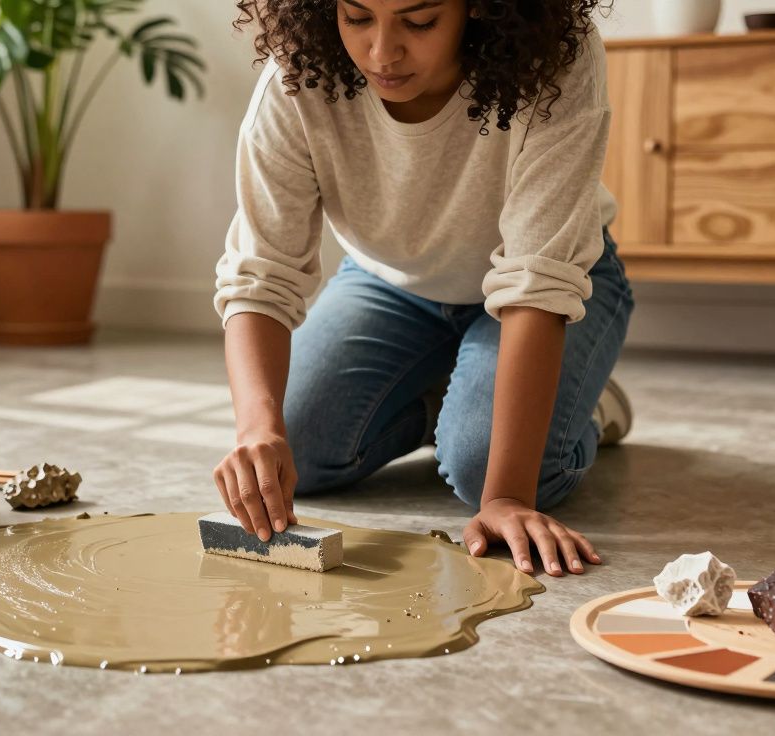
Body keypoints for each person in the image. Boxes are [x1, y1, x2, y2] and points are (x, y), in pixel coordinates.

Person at [212, 0, 634, 577]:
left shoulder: (554, 60)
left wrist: (506, 496)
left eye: (419, 21)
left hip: (551, 285)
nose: (382, 52)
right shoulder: (298, 76)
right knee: (296, 451)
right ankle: (453, 396)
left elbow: (538, 278)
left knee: (485, 466)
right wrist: (257, 429)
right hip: (388, 282)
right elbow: (260, 271)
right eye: (357, 17)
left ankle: (588, 404)